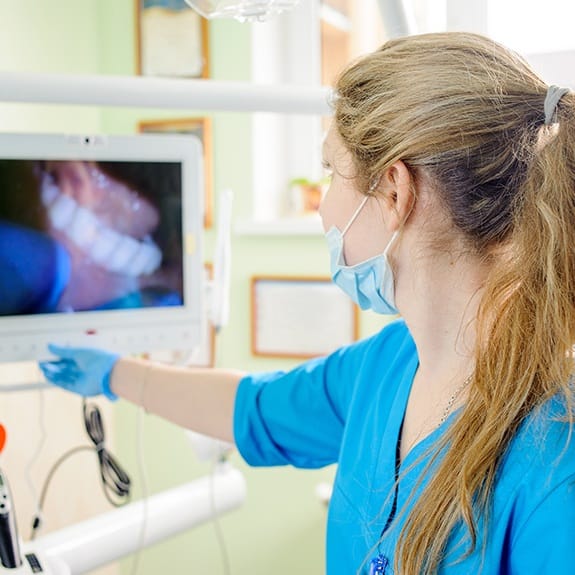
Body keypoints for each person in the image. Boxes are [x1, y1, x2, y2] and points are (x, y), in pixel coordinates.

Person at [40, 32, 575, 574]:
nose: (322, 208)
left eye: (329, 172)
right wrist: (115, 374)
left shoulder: (557, 460)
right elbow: (254, 409)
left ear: (394, 192)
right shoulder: (390, 364)